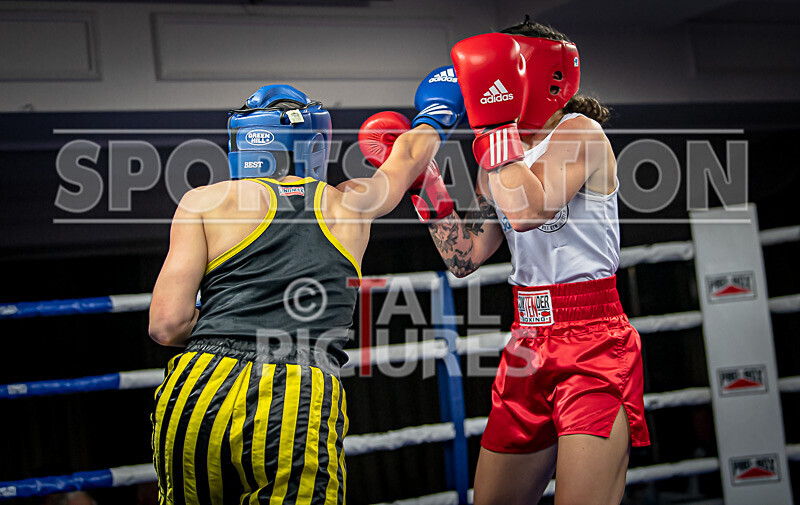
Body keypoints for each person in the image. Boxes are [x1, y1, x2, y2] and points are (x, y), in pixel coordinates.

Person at [148, 79, 463, 505]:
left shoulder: (201, 202)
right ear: (313, 142)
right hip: (294, 390)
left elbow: (166, 326)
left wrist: (234, 323)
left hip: (199, 386)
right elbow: (407, 157)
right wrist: (438, 113)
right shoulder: (348, 202)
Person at [418, 19, 650, 505]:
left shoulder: (579, 133)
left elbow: (529, 211)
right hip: (528, 342)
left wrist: (493, 130)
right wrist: (424, 180)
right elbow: (464, 257)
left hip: (593, 344)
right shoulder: (495, 158)